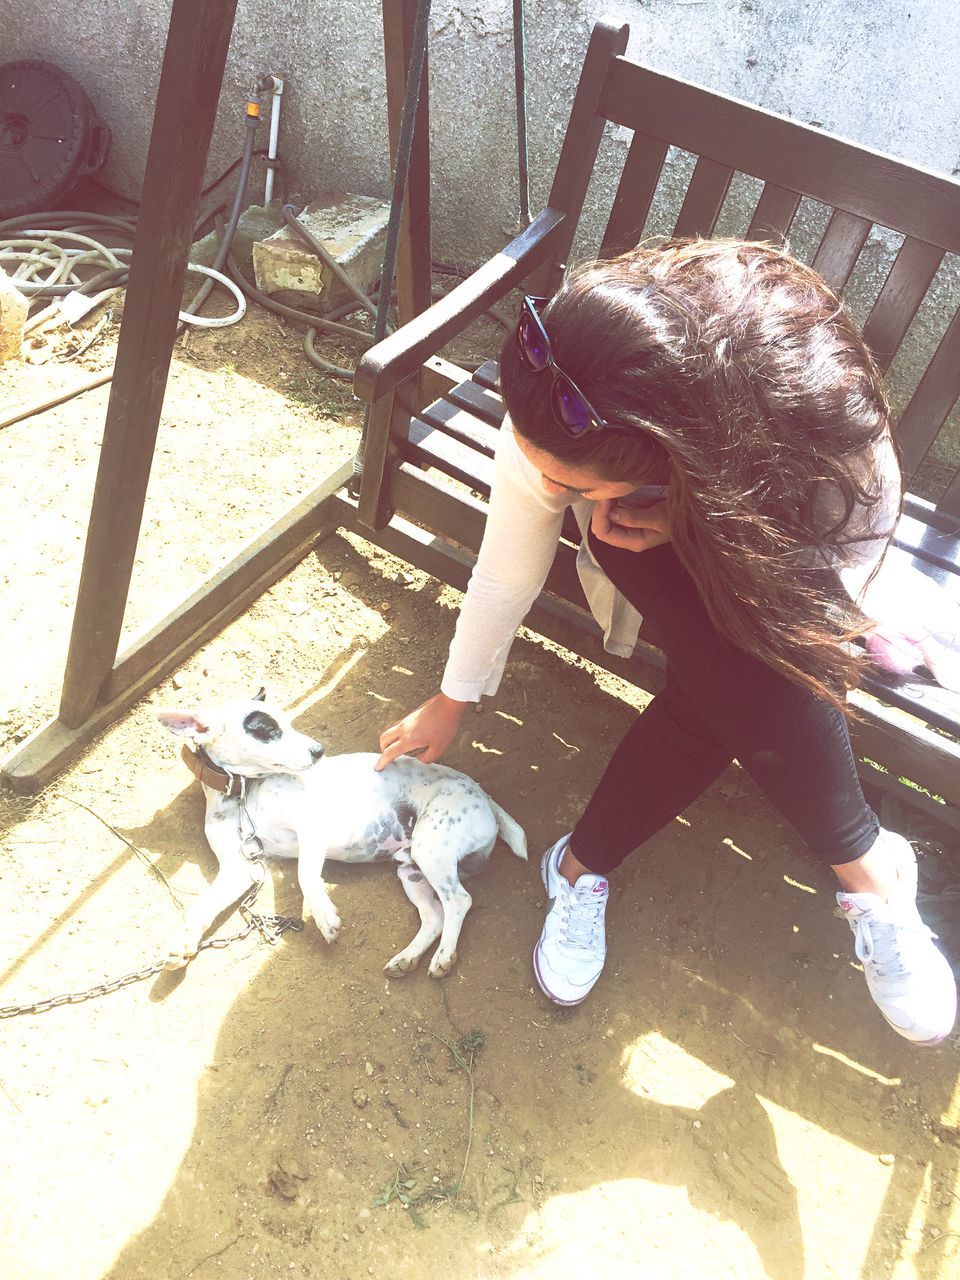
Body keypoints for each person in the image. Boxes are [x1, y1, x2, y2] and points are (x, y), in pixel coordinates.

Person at [375, 238, 958, 1046]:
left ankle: (580, 867)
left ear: (677, 454)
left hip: (791, 551)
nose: (547, 491)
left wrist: (693, 520)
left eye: (570, 484)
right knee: (622, 547)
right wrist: (453, 697)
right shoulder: (562, 399)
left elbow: (833, 579)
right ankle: (871, 872)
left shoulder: (828, 444)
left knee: (736, 670)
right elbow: (506, 572)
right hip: (689, 527)